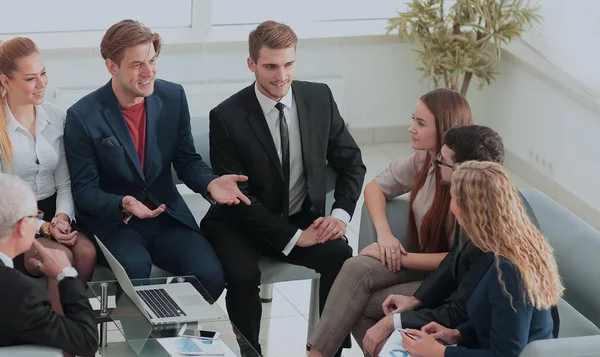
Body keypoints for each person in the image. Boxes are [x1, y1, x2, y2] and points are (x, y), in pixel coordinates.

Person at [200, 20, 366, 356]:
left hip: (301, 217)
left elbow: (351, 163)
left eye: (288, 64)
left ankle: (326, 349)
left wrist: (338, 214)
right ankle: (251, 351)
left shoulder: (319, 97)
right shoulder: (225, 117)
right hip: (240, 224)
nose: (281, 76)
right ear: (252, 65)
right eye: (271, 66)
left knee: (341, 255)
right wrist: (294, 237)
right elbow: (239, 198)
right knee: (244, 277)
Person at [63, 20, 249, 300]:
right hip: (116, 223)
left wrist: (210, 183)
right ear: (112, 67)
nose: (149, 72)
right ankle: (148, 335)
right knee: (135, 271)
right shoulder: (82, 116)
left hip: (166, 216)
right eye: (137, 64)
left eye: (152, 60)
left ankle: (167, 331)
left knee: (210, 275)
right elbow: (84, 191)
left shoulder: (172, 97)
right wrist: (122, 203)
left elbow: (186, 160)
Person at [308, 89, 473, 357]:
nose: (411, 129)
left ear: (443, 128)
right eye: (413, 120)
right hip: (422, 266)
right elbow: (374, 189)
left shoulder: (466, 183)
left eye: (420, 124)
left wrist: (402, 258)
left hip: (450, 283)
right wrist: (385, 237)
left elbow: (457, 261)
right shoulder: (425, 159)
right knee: (354, 268)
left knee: (357, 305)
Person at [398, 160, 563, 357]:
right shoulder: (501, 246)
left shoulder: (509, 271)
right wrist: (458, 334)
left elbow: (506, 354)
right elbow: (499, 319)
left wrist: (440, 352)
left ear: (470, 210)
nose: (450, 207)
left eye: (452, 198)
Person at [0, 37, 96, 313]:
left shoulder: (56, 117)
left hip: (55, 211)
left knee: (87, 253)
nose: (42, 84)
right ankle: (62, 343)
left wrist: (62, 217)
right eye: (31, 78)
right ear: (6, 81)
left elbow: (64, 180)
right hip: (13, 223)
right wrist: (42, 227)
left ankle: (74, 332)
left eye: (43, 73)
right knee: (60, 256)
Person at [0, 173, 98, 356]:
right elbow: (85, 341)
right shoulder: (23, 295)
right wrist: (66, 275)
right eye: (36, 216)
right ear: (22, 226)